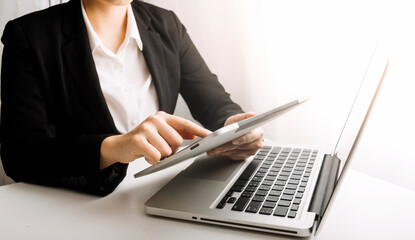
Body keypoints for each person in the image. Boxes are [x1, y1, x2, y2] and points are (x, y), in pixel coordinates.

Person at [0, 0, 263, 196]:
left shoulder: (167, 24)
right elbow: (21, 157)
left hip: (163, 193)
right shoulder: (28, 35)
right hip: (79, 205)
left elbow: (216, 103)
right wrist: (116, 148)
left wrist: (235, 127)